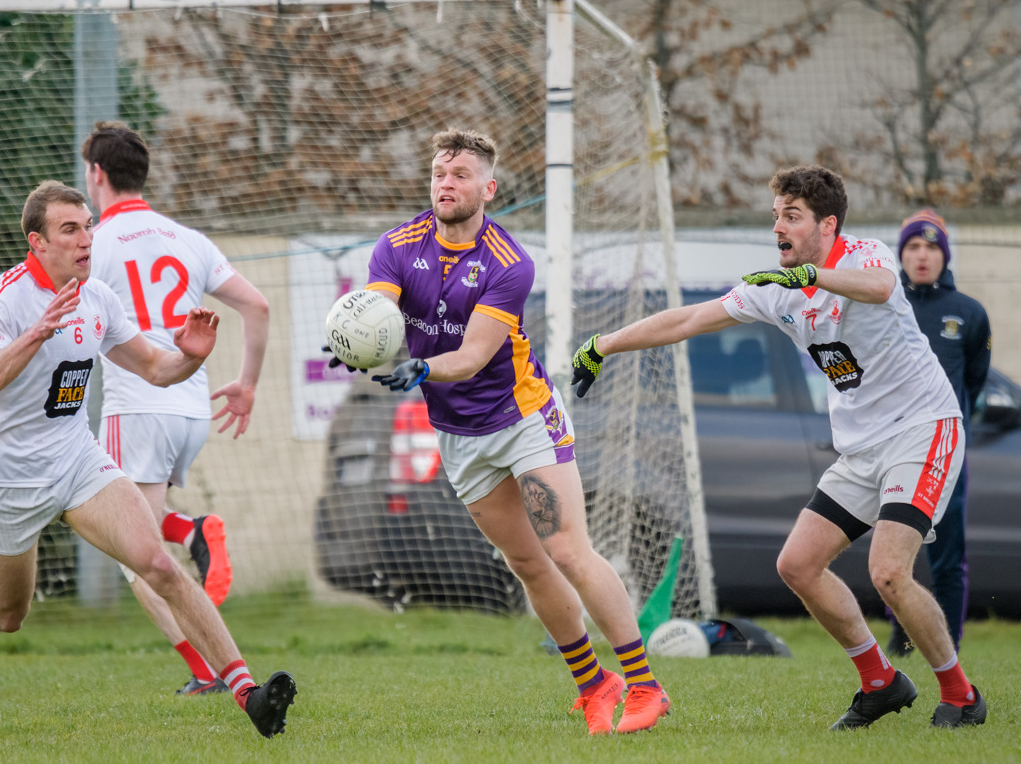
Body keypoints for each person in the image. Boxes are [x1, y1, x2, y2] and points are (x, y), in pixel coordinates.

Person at [571, 165, 986, 730]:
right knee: (797, 564)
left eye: (792, 217)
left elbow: (880, 289)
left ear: (828, 224)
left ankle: (961, 695)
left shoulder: (865, 255)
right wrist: (606, 343)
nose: (779, 229)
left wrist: (815, 275)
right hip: (863, 447)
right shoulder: (776, 287)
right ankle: (881, 681)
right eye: (776, 217)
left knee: (889, 572)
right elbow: (692, 318)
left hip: (923, 428)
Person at [0, 181, 296, 739]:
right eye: (69, 229)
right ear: (37, 242)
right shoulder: (10, 296)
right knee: (7, 615)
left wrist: (189, 359)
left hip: (77, 461)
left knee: (161, 566)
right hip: (4, 481)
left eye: (88, 225)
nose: (86, 239)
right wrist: (36, 332)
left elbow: (155, 368)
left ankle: (250, 694)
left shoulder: (97, 297)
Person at [345, 128, 669, 735]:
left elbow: (470, 357)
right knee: (525, 562)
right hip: (458, 433)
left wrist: (420, 367)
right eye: (440, 173)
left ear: (488, 188)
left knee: (568, 549)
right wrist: (360, 341)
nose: (447, 183)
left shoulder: (508, 264)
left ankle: (646, 686)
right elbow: (378, 313)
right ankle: (595, 684)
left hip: (522, 419)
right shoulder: (396, 246)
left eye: (461, 174)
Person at [83, 121, 271, 696]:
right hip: (191, 406)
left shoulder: (95, 245)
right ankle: (204, 666)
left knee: (131, 552)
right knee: (138, 546)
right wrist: (245, 384)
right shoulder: (186, 238)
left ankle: (193, 533)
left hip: (136, 406)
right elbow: (257, 306)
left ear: (96, 175)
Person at [886, 210, 991, 658]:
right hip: (894, 446)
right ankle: (901, 644)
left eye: (931, 247)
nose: (922, 256)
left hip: (946, 451)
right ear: (901, 255)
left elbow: (973, 381)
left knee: (947, 555)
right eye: (913, 247)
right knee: (894, 557)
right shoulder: (886, 306)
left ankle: (949, 648)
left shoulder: (969, 313)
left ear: (944, 256)